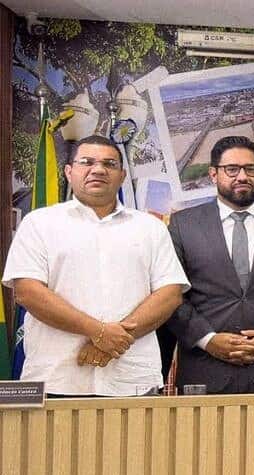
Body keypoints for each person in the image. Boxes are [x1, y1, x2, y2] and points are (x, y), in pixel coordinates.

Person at [1, 135, 188, 396]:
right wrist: (98, 331)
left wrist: (110, 341)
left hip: (131, 379)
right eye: (87, 162)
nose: (98, 170)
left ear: (122, 176)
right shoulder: (39, 223)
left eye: (109, 164)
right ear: (69, 172)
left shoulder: (150, 227)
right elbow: (28, 292)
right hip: (57, 378)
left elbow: (170, 294)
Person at [165, 136, 254, 393]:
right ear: (213, 174)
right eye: (232, 169)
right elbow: (171, 295)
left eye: (250, 169)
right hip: (203, 371)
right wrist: (207, 340)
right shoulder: (182, 225)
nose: (242, 176)